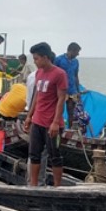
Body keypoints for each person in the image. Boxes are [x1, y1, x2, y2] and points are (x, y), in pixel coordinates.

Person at [24, 43, 68, 187]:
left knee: (55, 156)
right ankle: (34, 185)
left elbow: (62, 99)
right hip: (37, 121)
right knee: (34, 155)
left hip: (52, 123)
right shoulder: (39, 73)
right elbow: (37, 95)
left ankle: (57, 187)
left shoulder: (59, 74)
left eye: (36, 59)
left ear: (45, 57)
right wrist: (29, 115)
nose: (35, 62)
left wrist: (56, 122)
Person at [53, 42, 81, 128]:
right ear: (71, 50)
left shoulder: (76, 62)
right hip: (60, 90)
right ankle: (58, 127)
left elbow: (75, 76)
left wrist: (78, 91)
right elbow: (53, 74)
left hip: (72, 91)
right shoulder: (59, 60)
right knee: (58, 110)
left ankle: (70, 129)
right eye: (77, 52)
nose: (78, 54)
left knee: (71, 112)